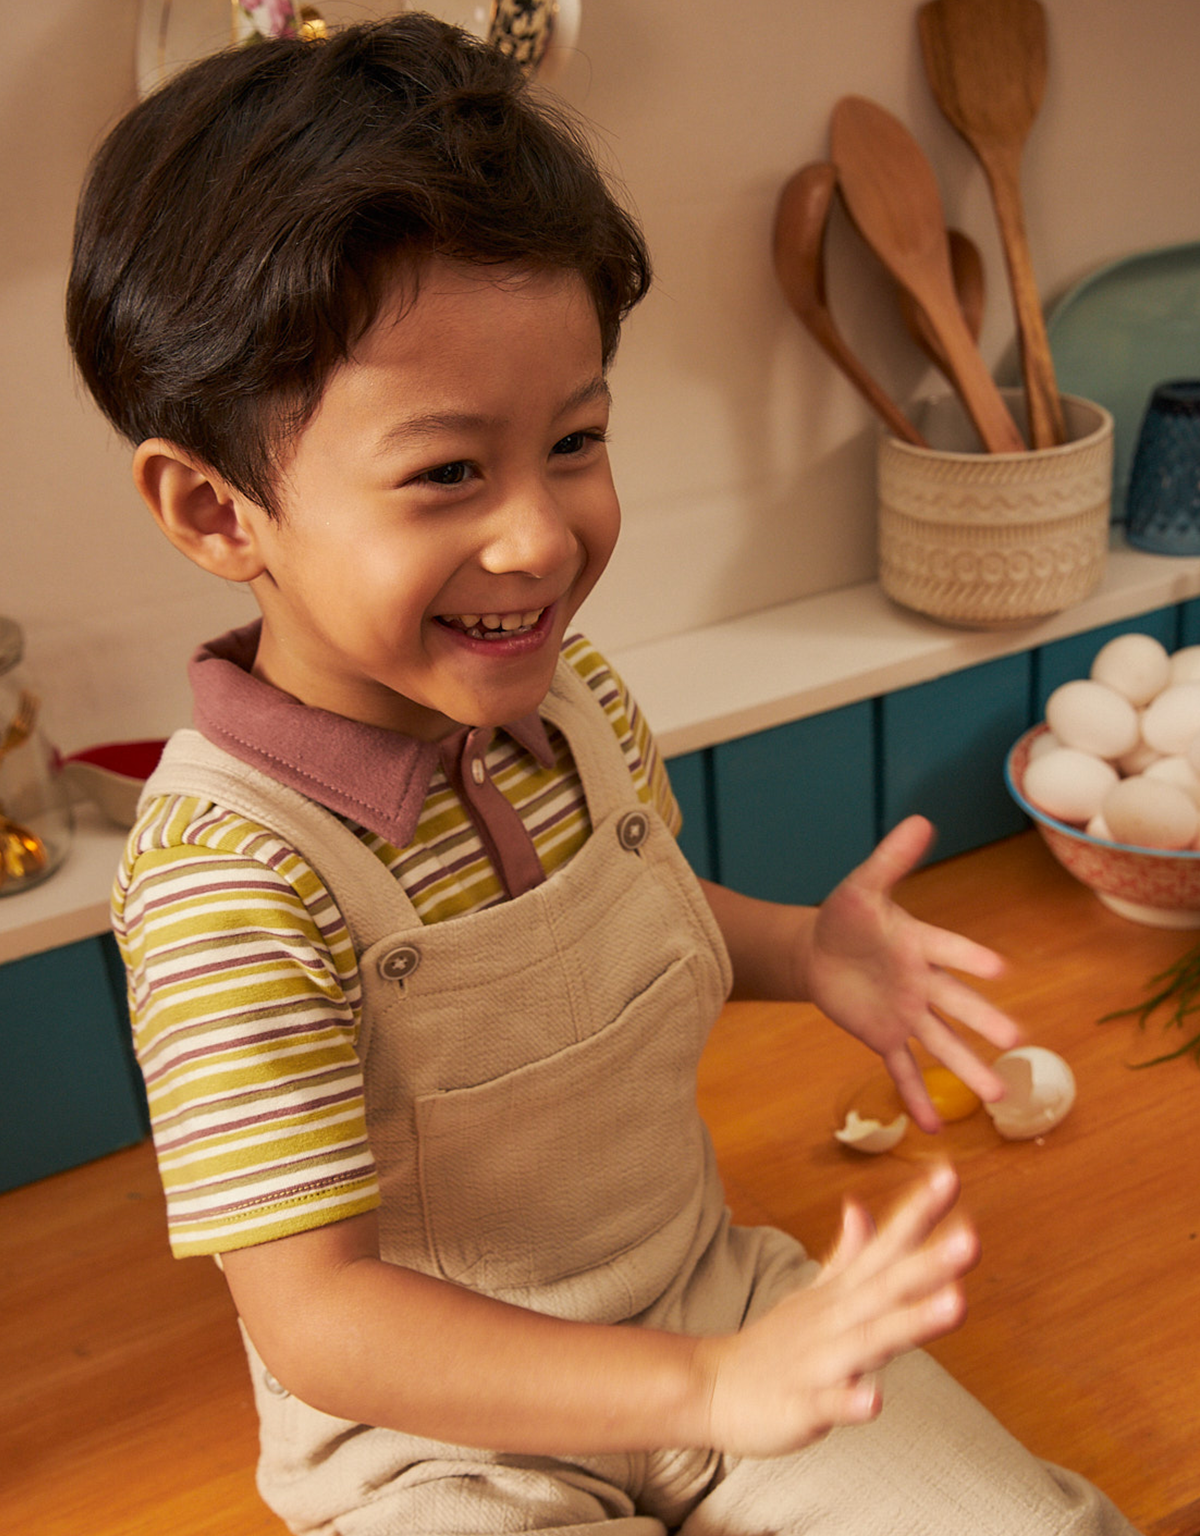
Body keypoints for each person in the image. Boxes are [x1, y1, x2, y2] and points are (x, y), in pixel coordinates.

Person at [67, 16, 1137, 1535]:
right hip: (431, 1446)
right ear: (215, 508)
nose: (540, 538)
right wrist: (694, 1397)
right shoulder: (226, 878)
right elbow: (323, 1322)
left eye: (574, 440)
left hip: (708, 1305)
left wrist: (795, 949)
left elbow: (622, 917)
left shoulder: (569, 704)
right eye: (447, 472)